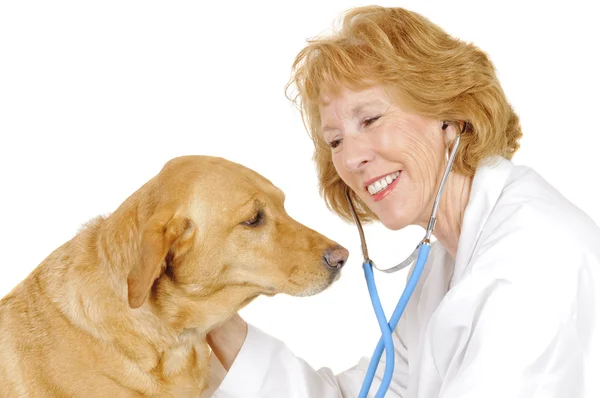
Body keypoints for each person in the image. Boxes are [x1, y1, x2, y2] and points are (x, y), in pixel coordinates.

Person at [204, 5, 600, 397]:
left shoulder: (532, 262)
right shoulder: (447, 260)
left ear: (450, 113)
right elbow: (373, 395)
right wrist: (210, 320)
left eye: (371, 119)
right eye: (335, 140)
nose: (350, 158)